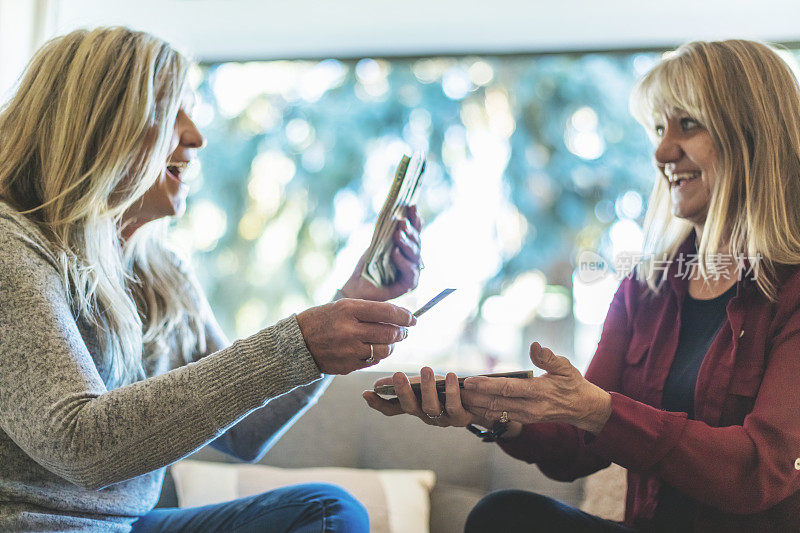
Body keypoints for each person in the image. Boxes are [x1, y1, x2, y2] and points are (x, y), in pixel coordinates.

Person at [0, 27, 424, 532]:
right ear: (97, 125)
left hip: (124, 525)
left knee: (328, 511)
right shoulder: (10, 248)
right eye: (169, 111)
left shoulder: (159, 271)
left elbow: (244, 433)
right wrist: (298, 343)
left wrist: (349, 306)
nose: (196, 135)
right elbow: (80, 447)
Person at [365, 39, 800, 532]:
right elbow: (576, 448)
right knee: (504, 516)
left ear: (753, 134)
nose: (662, 151)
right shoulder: (647, 288)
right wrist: (492, 411)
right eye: (659, 128)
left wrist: (601, 411)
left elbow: (759, 470)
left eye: (688, 124)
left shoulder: (792, 292)